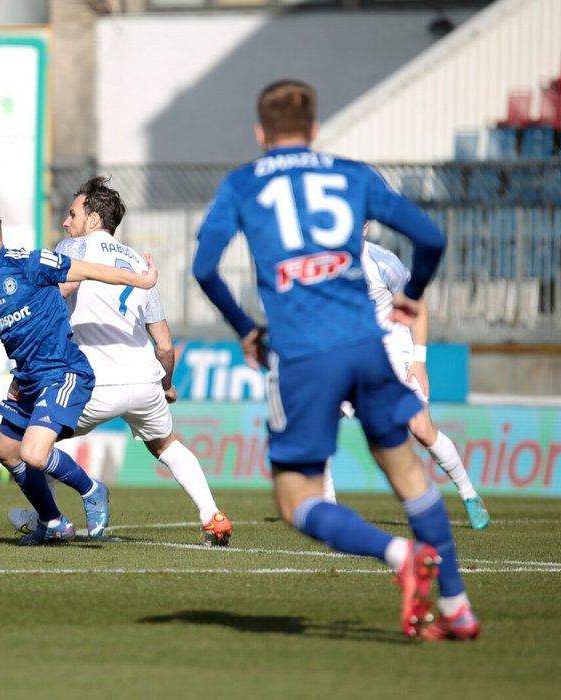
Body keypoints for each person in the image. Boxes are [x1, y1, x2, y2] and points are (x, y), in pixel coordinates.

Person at [191, 79, 479, 641]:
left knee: (295, 497)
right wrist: (412, 294)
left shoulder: (244, 183)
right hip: (367, 347)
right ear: (316, 130)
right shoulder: (350, 174)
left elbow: (204, 267)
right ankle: (457, 607)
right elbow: (431, 237)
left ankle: (400, 555)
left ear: (260, 133)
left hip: (302, 355)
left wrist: (246, 329)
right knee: (408, 474)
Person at [7, 176, 233, 546]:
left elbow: (60, 292)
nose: (66, 222)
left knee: (25, 442)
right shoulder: (138, 266)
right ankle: (213, 516)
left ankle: (45, 518)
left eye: (72, 213)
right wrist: (166, 385)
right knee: (166, 445)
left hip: (92, 383)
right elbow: (164, 345)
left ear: (93, 220)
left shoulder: (73, 246)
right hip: (143, 381)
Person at [0, 205, 158, 545]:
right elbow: (20, 337)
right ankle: (52, 522)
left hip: (63, 371)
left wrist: (142, 281)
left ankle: (92, 489)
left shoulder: (28, 263)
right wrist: (17, 379)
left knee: (33, 454)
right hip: (28, 379)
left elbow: (90, 270)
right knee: (6, 451)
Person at [323, 225, 491, 530]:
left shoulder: (383, 262)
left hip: (394, 354)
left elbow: (419, 307)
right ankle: (330, 510)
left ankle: (469, 494)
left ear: (365, 227)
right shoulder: (325, 264)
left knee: (422, 429)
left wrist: (420, 360)